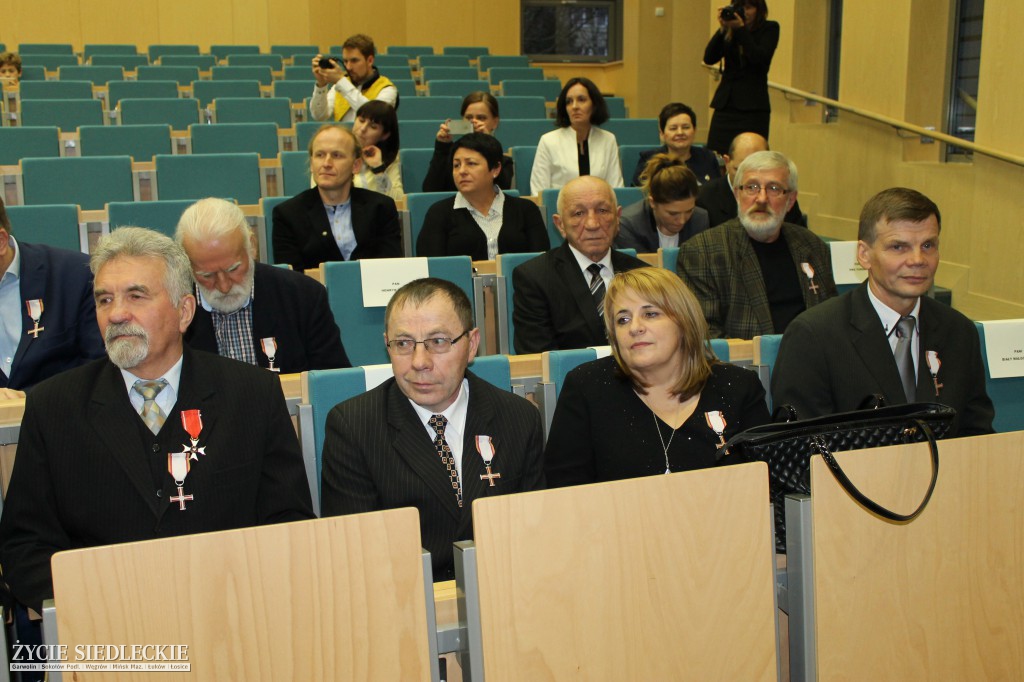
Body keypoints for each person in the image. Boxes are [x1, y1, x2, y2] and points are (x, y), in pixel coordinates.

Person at [0, 227, 314, 611]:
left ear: (184, 312)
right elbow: (25, 546)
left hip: (234, 618)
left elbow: (289, 523)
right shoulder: (54, 407)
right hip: (110, 634)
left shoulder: (252, 394)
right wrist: (96, 608)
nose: (116, 314)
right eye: (104, 299)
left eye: (136, 295)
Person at [320, 278, 545, 579]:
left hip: (506, 592)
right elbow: (355, 558)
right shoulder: (354, 427)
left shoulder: (517, 417)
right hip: (405, 604)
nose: (419, 362)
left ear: (472, 344)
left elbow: (535, 537)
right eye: (403, 344)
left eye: (438, 342)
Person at [772, 188, 994, 436]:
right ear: (864, 255)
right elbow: (801, 448)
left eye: (928, 245)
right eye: (899, 247)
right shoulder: (814, 335)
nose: (918, 259)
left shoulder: (960, 332)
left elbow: (977, 435)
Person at [545, 267, 769, 487]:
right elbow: (565, 494)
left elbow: (767, 487)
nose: (634, 328)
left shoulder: (738, 387)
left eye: (650, 314)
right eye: (622, 320)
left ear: (683, 321)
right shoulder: (587, 387)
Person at [177, 198, 351, 373]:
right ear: (187, 265)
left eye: (233, 269)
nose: (224, 286)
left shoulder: (303, 296)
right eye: (207, 275)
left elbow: (334, 381)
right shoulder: (172, 308)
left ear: (252, 247)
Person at [678, 150, 835, 339]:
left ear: (790, 200)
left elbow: (832, 318)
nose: (761, 199)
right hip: (748, 365)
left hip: (813, 361)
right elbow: (706, 335)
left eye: (774, 188)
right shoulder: (703, 252)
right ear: (737, 194)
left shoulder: (812, 246)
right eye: (751, 187)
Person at [512, 176, 649, 353]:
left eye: (602, 210)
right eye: (578, 213)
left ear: (617, 217)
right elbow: (539, 356)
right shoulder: (534, 277)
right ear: (560, 224)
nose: (592, 224)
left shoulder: (644, 274)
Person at [0, 196, 104, 397]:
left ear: (1, 241)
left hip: (62, 419)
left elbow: (100, 368)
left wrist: (34, 399)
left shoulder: (75, 275)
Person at [272, 124, 401, 272]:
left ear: (356, 165)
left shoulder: (381, 208)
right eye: (320, 155)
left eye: (336, 155)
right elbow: (291, 280)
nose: (326, 163)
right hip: (315, 294)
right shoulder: (288, 214)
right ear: (312, 164)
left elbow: (391, 269)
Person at [417, 133, 549, 260]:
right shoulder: (439, 213)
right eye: (456, 165)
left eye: (471, 163)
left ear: (495, 169)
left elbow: (542, 265)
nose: (462, 171)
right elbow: (431, 270)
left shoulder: (526, 210)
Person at [702, 0, 780, 155]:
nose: (745, 12)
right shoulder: (730, 30)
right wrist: (723, 28)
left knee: (751, 156)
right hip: (726, 104)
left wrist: (741, 30)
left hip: (753, 107)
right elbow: (709, 58)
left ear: (759, 9)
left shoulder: (769, 28)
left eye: (749, 7)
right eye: (741, 7)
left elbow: (759, 59)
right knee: (716, 155)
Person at [530, 77, 624, 195]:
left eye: (581, 100)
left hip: (599, 210)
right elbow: (539, 192)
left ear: (594, 105)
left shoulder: (608, 140)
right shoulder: (548, 141)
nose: (574, 106)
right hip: (559, 212)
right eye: (569, 101)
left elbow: (616, 189)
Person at [697, 132, 805, 228]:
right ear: (727, 162)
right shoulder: (703, 197)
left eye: (760, 170)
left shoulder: (782, 196)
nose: (748, 178)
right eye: (740, 170)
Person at [422, 91, 515, 192]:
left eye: (481, 118)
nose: (474, 122)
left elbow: (499, 192)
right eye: (469, 118)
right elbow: (430, 190)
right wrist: (442, 146)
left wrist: (488, 145)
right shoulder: (451, 156)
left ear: (495, 122)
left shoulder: (504, 162)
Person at [616, 153, 711, 252]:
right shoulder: (628, 225)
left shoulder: (700, 219)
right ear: (652, 202)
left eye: (689, 211)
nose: (682, 220)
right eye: (673, 213)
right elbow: (639, 266)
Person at [309, 33, 398, 123]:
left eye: (354, 61)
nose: (348, 67)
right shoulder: (341, 85)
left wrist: (341, 82)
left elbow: (372, 117)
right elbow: (319, 116)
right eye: (345, 61)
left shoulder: (387, 89)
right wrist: (321, 84)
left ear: (370, 60)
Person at [629, 102, 721, 186]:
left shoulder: (708, 157)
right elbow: (638, 195)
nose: (680, 133)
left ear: (694, 130)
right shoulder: (649, 160)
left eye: (686, 127)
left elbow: (717, 192)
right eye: (673, 128)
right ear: (662, 133)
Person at [351, 100, 404, 201]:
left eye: (373, 127)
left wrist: (379, 169)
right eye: (361, 120)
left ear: (384, 135)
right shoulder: (334, 151)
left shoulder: (388, 159)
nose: (362, 129)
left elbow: (397, 201)